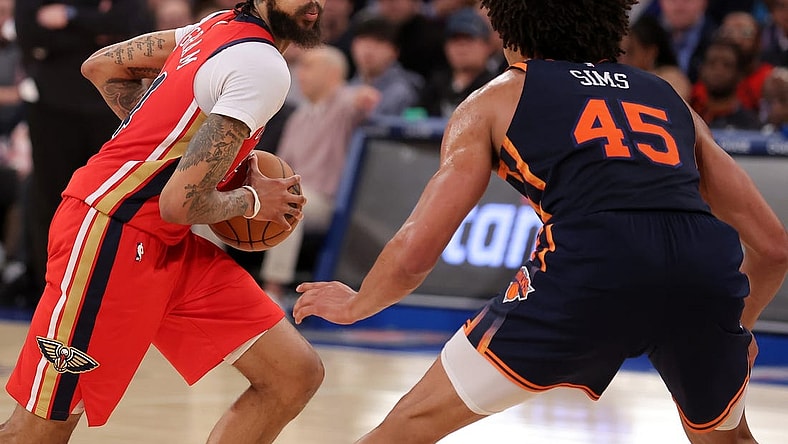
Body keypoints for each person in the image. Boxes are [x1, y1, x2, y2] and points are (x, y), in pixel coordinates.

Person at [293, 0, 788, 442]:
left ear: (507, 26)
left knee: (409, 425)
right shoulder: (665, 97)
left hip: (591, 268)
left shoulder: (496, 99)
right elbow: (773, 248)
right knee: (726, 439)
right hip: (703, 272)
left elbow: (417, 249)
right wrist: (735, 330)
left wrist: (358, 303)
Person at [0, 0, 326, 442]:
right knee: (38, 432)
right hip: (112, 231)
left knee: (293, 374)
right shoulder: (261, 65)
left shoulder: (215, 27)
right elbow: (180, 203)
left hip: (165, 240)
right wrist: (252, 201)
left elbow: (101, 65)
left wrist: (160, 136)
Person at [14, 0, 154, 307]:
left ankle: (107, 288)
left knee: (110, 201)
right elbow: (29, 35)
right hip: (51, 108)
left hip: (110, 109)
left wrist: (71, 17)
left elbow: (132, 29)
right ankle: (49, 288)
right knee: (50, 198)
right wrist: (96, 33)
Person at [260, 44, 379, 300]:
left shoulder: (343, 104)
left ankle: (273, 290)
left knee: (289, 203)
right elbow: (281, 165)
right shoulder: (298, 116)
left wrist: (364, 97)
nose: (300, 74)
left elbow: (358, 101)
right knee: (224, 199)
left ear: (332, 74)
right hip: (297, 192)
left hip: (327, 201)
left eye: (308, 67)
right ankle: (208, 278)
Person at [692, 39, 762, 129]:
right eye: (712, 63)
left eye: (727, 65)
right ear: (701, 70)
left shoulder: (751, 125)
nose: (718, 71)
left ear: (740, 74)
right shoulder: (689, 117)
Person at [620, 14, 692, 101]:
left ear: (650, 53)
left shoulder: (673, 79)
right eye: (620, 53)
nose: (623, 60)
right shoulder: (620, 78)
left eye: (630, 52)